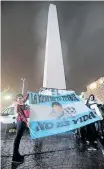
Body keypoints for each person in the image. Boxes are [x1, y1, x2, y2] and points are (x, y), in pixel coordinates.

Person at [12, 93, 29, 163]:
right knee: (17, 139)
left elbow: (25, 99)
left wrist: (28, 93)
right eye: (19, 98)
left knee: (18, 139)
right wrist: (26, 122)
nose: (21, 99)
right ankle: (15, 157)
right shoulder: (18, 105)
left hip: (23, 123)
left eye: (21, 98)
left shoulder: (22, 102)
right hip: (20, 122)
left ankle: (17, 154)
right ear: (17, 99)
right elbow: (21, 115)